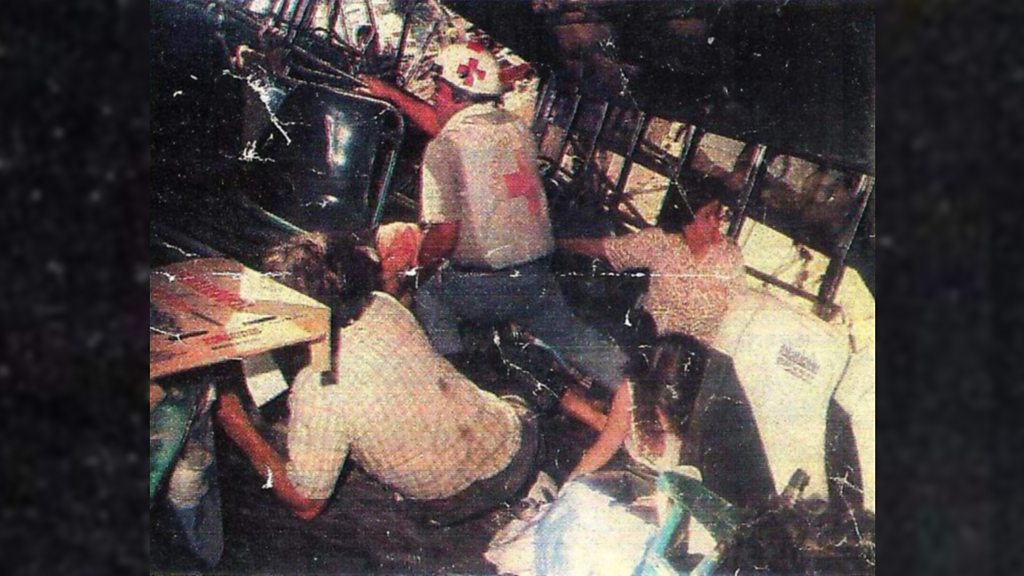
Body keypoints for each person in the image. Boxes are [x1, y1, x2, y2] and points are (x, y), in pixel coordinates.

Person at [361, 41, 630, 422]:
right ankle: (641, 389)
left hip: (488, 285)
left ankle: (455, 394)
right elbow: (448, 125)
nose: (434, 96)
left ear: (457, 97)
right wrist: (391, 93)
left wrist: (415, 271)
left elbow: (445, 236)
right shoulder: (515, 127)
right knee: (576, 337)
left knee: (430, 293)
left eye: (439, 90)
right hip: (537, 275)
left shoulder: (444, 149)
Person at [214, 232, 540, 526]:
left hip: (458, 499)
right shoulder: (383, 306)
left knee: (304, 470)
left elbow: (306, 505)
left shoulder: (319, 387)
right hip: (519, 443)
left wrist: (239, 428)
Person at [558, 186, 745, 346]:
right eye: (707, 216)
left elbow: (738, 311)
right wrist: (554, 242)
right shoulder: (659, 242)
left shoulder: (730, 256)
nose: (715, 222)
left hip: (697, 354)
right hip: (649, 341)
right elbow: (604, 249)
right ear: (686, 222)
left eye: (717, 214)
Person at [568, 334, 709, 481]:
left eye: (670, 409)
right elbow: (603, 448)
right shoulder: (630, 392)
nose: (662, 416)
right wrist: (569, 484)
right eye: (658, 404)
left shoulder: (701, 410)